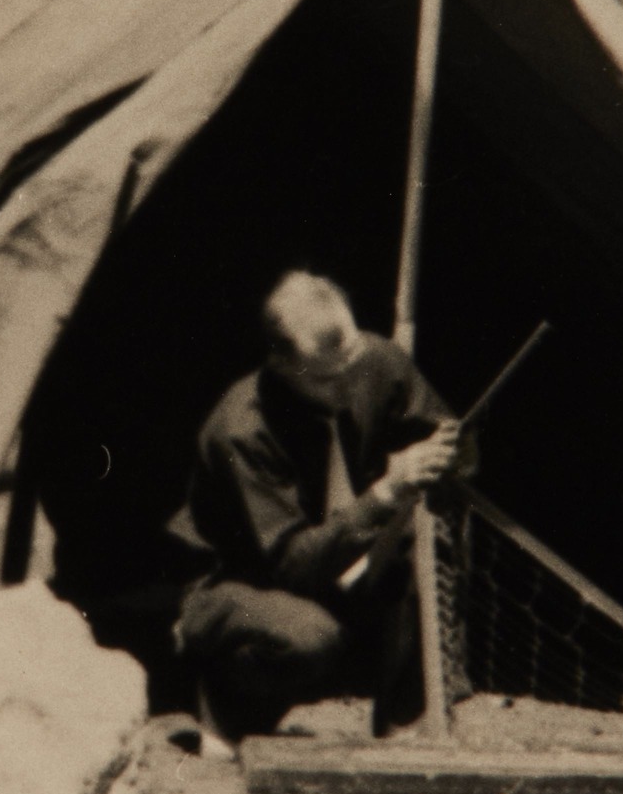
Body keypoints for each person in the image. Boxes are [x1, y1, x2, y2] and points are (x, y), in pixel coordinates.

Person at [172, 271, 459, 737]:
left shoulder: (371, 359)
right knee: (310, 637)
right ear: (280, 364)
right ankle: (226, 706)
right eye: (327, 379)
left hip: (337, 553)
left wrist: (448, 457)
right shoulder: (242, 429)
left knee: (427, 539)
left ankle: (403, 728)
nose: (348, 385)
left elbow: (453, 440)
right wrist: (386, 492)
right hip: (242, 581)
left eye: (353, 364)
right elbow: (291, 564)